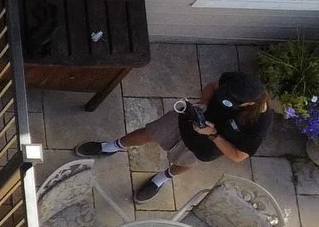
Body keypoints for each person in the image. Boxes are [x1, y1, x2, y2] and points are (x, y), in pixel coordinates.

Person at [75, 70, 271, 202]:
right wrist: (203, 104)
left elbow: (238, 156)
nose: (226, 98)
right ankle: (112, 146)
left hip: (207, 145)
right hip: (189, 120)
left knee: (183, 163)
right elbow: (212, 86)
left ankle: (161, 178)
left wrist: (213, 134)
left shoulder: (260, 124)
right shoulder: (235, 81)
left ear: (250, 104)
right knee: (149, 132)